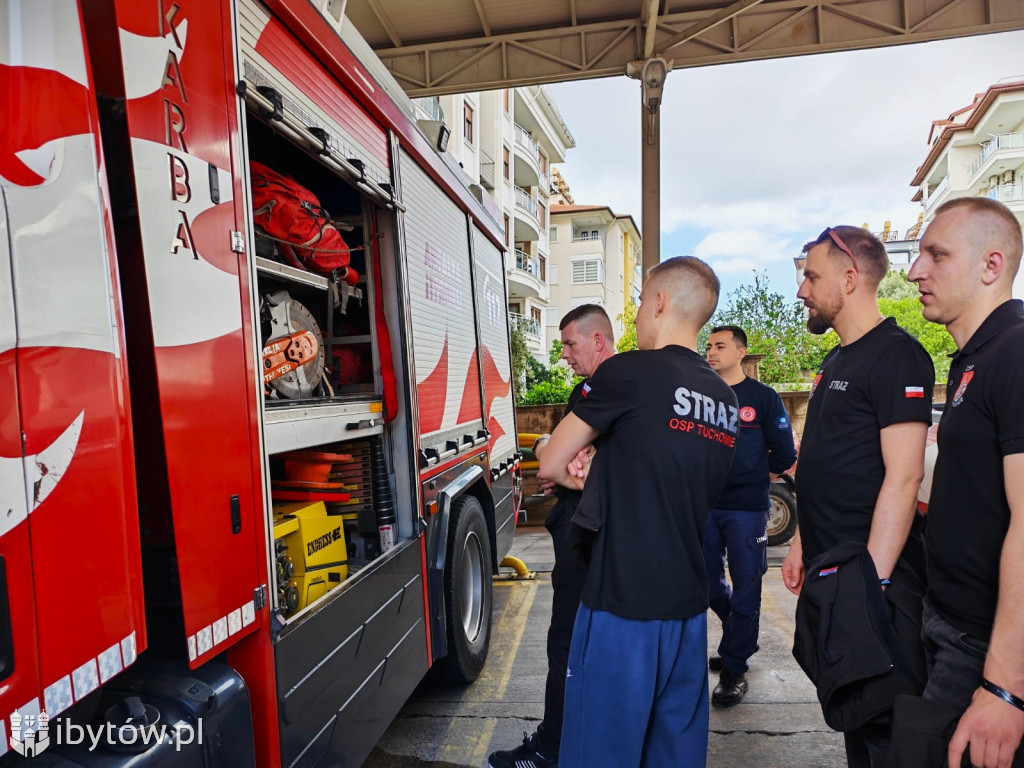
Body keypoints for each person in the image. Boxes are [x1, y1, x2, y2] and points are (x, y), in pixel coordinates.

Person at [539, 256, 738, 767]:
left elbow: (552, 461)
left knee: (600, 753)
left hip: (621, 603)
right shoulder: (724, 399)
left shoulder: (629, 372)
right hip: (687, 606)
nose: (637, 315)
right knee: (674, 754)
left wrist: (592, 474)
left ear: (659, 303)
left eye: (641, 302)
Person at [782, 226, 934, 766]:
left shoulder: (898, 355)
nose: (801, 289)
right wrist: (801, 539)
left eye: (811, 276)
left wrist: (871, 589)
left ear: (849, 279)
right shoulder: (836, 360)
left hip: (874, 584)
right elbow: (828, 463)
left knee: (885, 733)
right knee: (856, 719)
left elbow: (904, 477)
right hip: (836, 572)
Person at [890, 197, 1024, 768]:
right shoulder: (973, 358)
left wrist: (1005, 686)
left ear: (991, 266)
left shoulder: (1016, 352)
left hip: (985, 648)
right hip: (949, 623)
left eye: (936, 255)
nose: (915, 272)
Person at [487, 304, 615, 768]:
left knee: (568, 641)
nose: (563, 354)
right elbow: (565, 455)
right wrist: (555, 455)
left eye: (569, 344)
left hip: (586, 535)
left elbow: (562, 460)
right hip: (591, 531)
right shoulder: (595, 389)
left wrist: (552, 455)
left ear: (597, 340)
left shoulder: (609, 388)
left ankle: (551, 749)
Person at [704, 325, 796, 707]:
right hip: (704, 506)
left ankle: (734, 668)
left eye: (720, 346)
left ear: (741, 352)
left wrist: (755, 476)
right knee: (707, 585)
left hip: (746, 508)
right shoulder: (701, 395)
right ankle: (739, 638)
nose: (711, 352)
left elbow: (785, 453)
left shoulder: (763, 397)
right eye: (708, 346)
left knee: (746, 588)